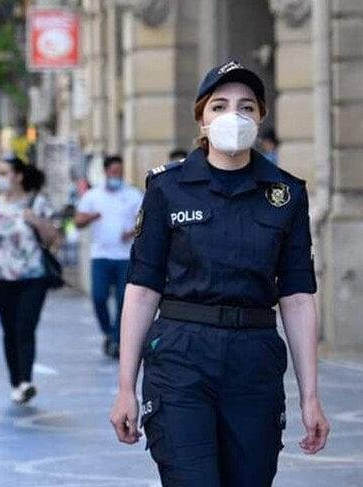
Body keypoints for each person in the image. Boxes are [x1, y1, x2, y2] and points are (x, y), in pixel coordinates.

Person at [110, 60, 329, 486]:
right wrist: (125, 388)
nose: (234, 115)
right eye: (220, 106)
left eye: (247, 107)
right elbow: (142, 290)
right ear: (202, 119)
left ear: (260, 118)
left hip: (254, 359)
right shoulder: (167, 188)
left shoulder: (286, 194)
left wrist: (310, 397)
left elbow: (298, 296)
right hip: (181, 356)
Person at [0, 157, 58, 404]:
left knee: (25, 327)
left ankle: (26, 381)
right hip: (1, 277)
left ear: (18, 176)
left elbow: (53, 238)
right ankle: (16, 382)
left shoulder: (38, 203)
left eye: (4, 172)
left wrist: (36, 221)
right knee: (9, 329)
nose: (0, 178)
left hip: (33, 276)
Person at [74, 155, 142, 358]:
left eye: (120, 172)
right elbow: (78, 221)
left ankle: (117, 340)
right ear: (105, 172)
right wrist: (90, 217)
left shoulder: (133, 195)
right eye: (113, 172)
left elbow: (144, 221)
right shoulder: (93, 196)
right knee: (99, 297)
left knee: (123, 300)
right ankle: (109, 332)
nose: (116, 176)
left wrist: (131, 232)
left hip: (125, 257)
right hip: (101, 255)